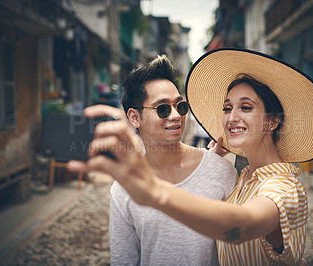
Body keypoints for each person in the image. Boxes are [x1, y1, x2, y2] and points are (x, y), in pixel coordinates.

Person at [69, 49, 313, 265]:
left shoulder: (283, 187)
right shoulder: (244, 177)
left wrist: (155, 191)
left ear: (272, 120)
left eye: (246, 107)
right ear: (134, 117)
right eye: (227, 108)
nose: (231, 117)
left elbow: (239, 227)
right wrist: (209, 161)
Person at [79, 55, 236, 265]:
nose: (175, 116)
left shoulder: (221, 171)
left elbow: (240, 248)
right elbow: (123, 259)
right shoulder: (125, 187)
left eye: (180, 107)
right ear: (135, 117)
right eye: (162, 108)